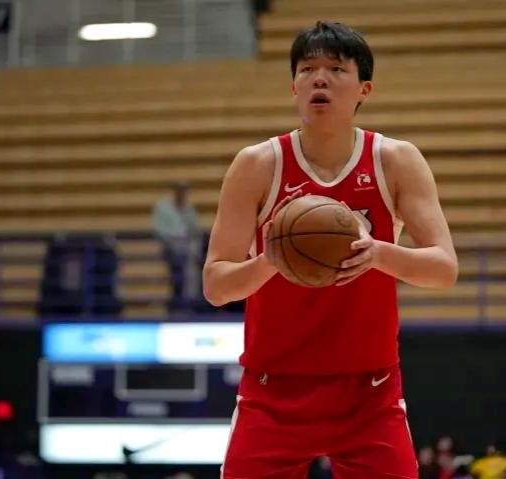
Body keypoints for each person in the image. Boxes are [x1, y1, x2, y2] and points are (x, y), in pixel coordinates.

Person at [203, 21, 458, 479]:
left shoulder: (395, 160)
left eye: (336, 69)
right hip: (273, 390)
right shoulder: (257, 165)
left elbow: (443, 269)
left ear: (364, 89)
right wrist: (270, 260)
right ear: (293, 87)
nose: (319, 78)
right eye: (307, 69)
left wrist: (377, 253)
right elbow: (216, 286)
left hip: (369, 392)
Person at [152, 181, 201, 313]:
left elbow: (194, 230)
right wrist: (173, 240)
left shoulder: (189, 209)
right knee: (178, 272)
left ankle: (190, 304)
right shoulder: (162, 208)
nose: (181, 194)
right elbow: (159, 230)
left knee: (194, 270)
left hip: (187, 249)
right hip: (170, 248)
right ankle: (176, 304)